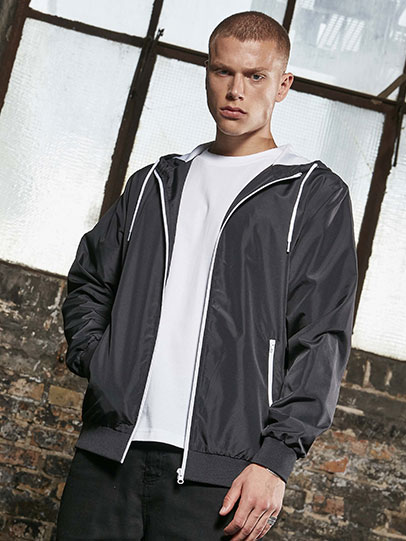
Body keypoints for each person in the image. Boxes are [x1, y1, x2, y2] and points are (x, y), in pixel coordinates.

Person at [56, 10, 358, 541]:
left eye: (255, 76)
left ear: (283, 85)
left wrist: (276, 459)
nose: (235, 90)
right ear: (207, 73)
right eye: (223, 72)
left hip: (223, 473)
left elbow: (322, 337)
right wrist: (101, 361)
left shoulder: (312, 195)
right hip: (109, 454)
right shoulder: (154, 183)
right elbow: (89, 280)